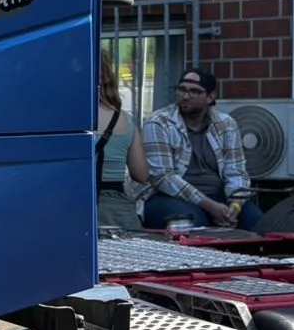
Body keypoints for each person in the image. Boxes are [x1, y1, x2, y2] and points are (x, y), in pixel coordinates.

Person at [139, 68, 262, 232]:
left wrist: (235, 206)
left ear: (210, 97)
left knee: (259, 224)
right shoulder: (158, 122)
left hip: (219, 199)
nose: (185, 96)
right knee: (196, 226)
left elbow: (236, 172)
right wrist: (210, 206)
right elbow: (163, 177)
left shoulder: (226, 124)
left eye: (194, 91)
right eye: (181, 89)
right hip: (167, 197)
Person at [96, 51, 148, 228]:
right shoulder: (124, 119)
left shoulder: (63, 120)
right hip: (117, 213)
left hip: (77, 206)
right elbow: (140, 174)